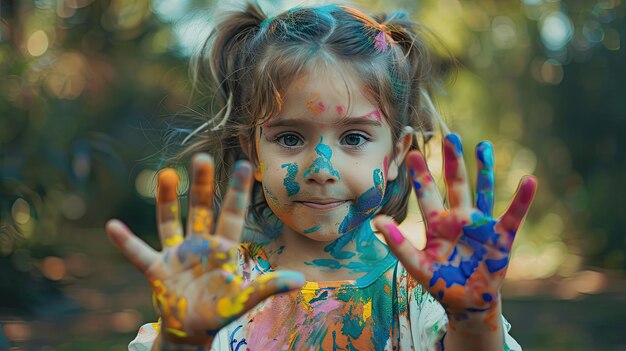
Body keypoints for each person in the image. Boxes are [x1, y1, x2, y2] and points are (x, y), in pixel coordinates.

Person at [104, 1, 537, 350]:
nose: (322, 170)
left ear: (395, 154)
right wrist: (182, 342)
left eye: (354, 137)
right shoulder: (218, 288)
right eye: (290, 138)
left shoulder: (423, 295)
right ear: (252, 150)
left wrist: (477, 321)